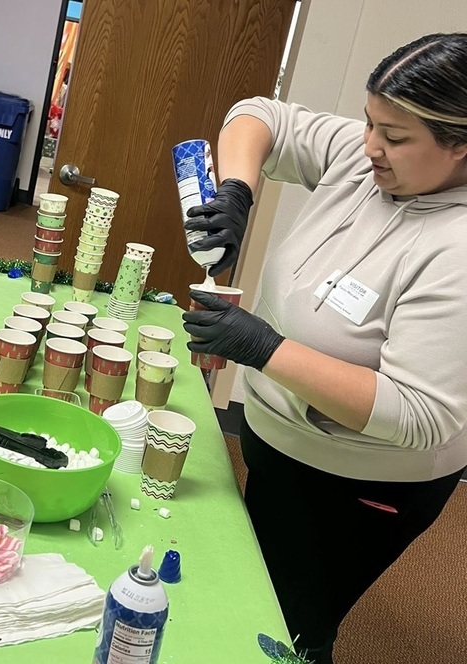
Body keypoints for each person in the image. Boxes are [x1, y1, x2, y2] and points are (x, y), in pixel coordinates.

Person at [182, 33, 467, 663]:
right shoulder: (363, 159)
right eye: (370, 122)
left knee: (290, 628)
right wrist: (237, 190)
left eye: (395, 137)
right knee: (251, 585)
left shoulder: (458, 249)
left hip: (359, 486)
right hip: (282, 446)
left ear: (460, 145)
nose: (370, 146)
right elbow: (259, 115)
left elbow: (420, 416)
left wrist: (263, 348)